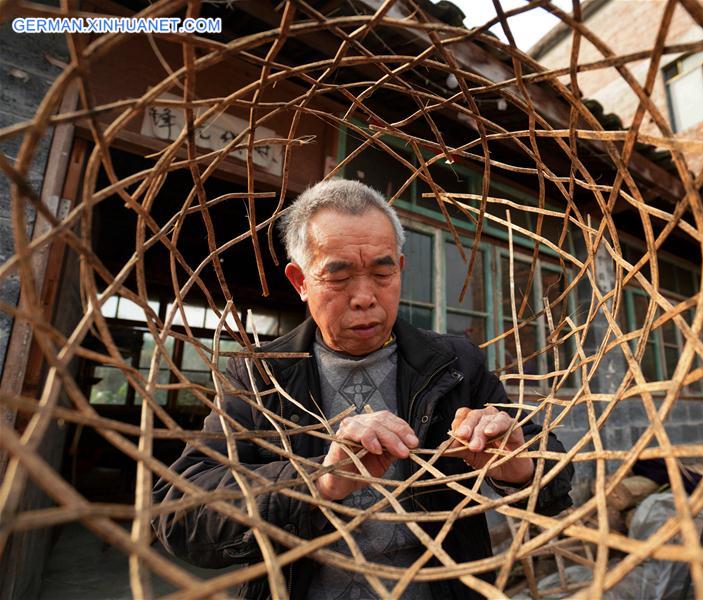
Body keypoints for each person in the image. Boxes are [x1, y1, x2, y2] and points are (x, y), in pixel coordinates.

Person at [152, 179, 573, 599]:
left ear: (401, 268)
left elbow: (553, 474)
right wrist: (319, 481)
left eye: (382, 270)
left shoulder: (455, 364)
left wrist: (516, 467)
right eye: (339, 276)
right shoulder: (260, 377)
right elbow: (179, 515)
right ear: (300, 281)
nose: (365, 297)